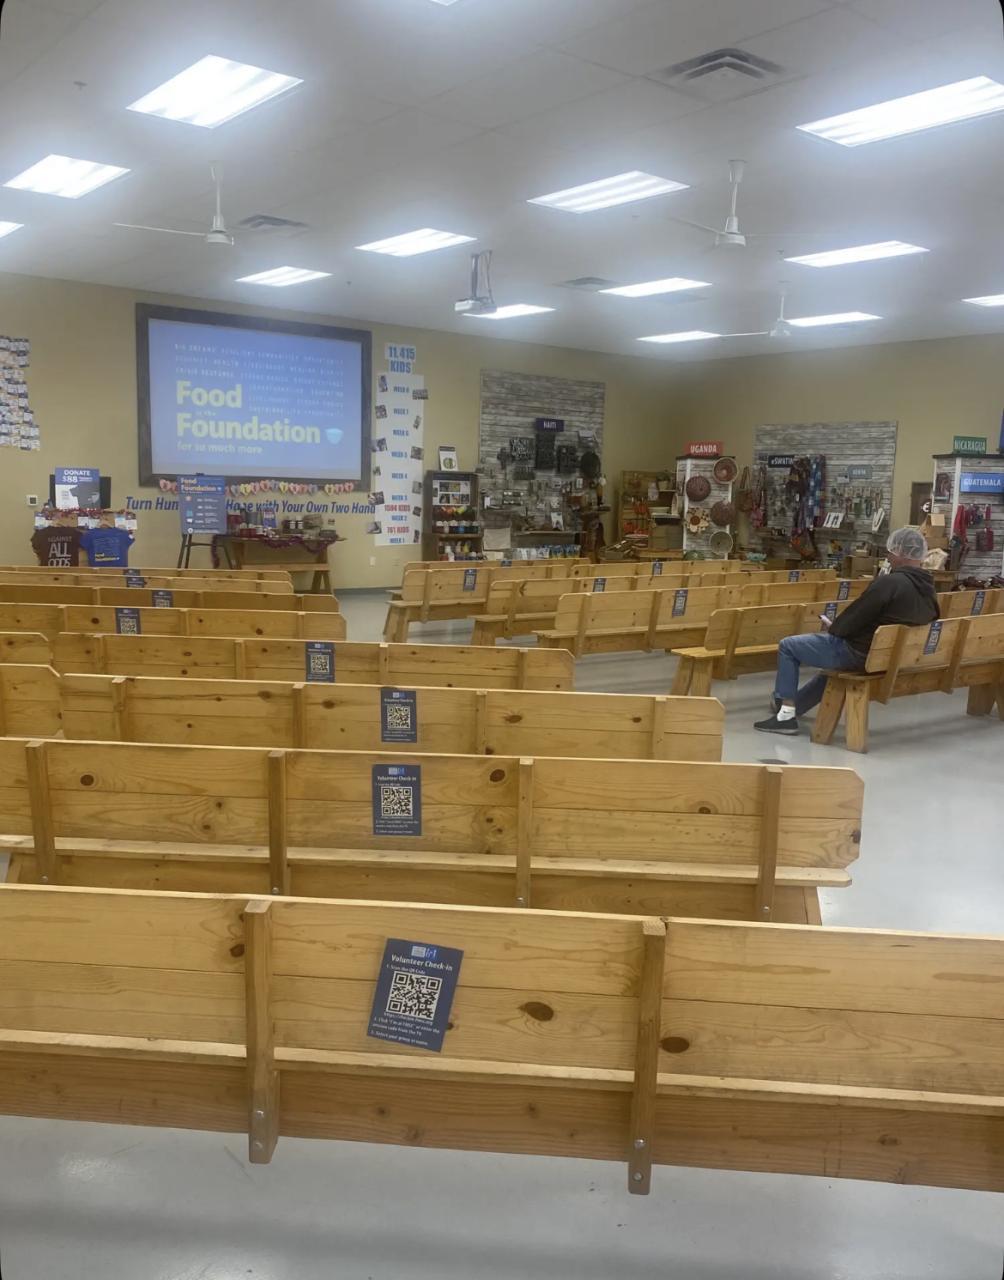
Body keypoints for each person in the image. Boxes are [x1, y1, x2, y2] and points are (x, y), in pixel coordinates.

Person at [754, 526, 939, 736]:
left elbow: (855, 617)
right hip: (893, 657)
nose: (888, 557)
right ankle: (794, 707)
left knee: (788, 646)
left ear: (900, 553)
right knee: (830, 672)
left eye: (890, 552)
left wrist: (834, 627)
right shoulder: (928, 588)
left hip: (860, 653)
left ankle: (786, 716)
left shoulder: (889, 583)